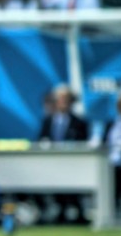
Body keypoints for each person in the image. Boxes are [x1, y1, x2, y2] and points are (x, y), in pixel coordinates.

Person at [37, 84, 91, 224]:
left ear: (72, 102)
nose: (63, 103)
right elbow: (39, 140)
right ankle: (52, 210)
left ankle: (75, 210)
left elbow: (84, 143)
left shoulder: (80, 123)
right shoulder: (48, 121)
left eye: (67, 99)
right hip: (50, 164)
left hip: (74, 164)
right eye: (61, 99)